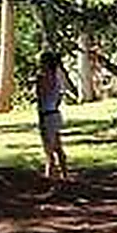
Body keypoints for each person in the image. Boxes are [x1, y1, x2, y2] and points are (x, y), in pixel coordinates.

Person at [35, 50, 73, 180]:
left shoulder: (42, 78)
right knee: (58, 147)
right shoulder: (57, 78)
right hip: (55, 114)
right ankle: (64, 174)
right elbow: (59, 97)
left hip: (46, 115)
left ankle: (50, 177)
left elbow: (40, 97)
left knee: (49, 149)